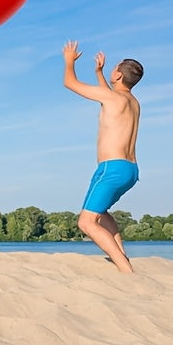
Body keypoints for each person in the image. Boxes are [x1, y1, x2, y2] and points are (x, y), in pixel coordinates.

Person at [62, 40, 143, 273]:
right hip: (130, 170)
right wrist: (98, 72)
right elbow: (107, 97)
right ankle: (122, 257)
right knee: (102, 212)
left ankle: (125, 270)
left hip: (111, 168)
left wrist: (69, 61)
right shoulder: (132, 102)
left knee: (86, 222)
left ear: (118, 75)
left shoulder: (112, 98)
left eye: (114, 68)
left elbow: (70, 83)